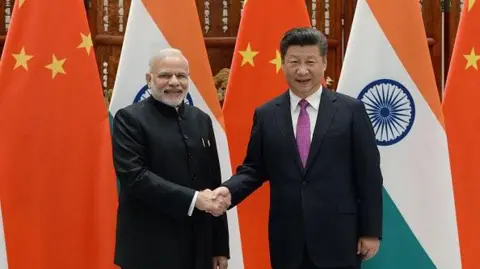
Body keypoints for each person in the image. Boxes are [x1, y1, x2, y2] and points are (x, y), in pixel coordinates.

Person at [211, 27, 383, 269]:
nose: (302, 70)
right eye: (294, 62)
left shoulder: (350, 110)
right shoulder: (267, 114)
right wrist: (228, 191)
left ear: (323, 63)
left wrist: (370, 231)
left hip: (339, 237)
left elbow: (369, 174)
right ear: (283, 64)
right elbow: (253, 169)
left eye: (310, 62)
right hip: (287, 238)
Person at [111, 48, 229, 269]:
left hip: (198, 246)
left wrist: (220, 246)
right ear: (150, 79)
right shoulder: (129, 119)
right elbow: (135, 177)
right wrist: (194, 199)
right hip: (149, 247)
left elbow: (213, 182)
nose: (174, 82)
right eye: (165, 75)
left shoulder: (201, 119)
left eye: (181, 76)